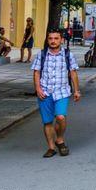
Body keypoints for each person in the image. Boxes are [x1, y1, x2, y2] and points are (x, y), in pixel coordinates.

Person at [32, 27, 81, 157]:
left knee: (60, 117)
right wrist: (38, 88)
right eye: (50, 38)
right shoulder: (41, 55)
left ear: (61, 40)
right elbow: (36, 72)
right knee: (47, 122)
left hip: (62, 91)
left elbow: (73, 73)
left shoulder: (67, 55)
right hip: (45, 92)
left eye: (56, 38)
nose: (53, 41)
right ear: (47, 40)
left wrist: (77, 90)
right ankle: (51, 147)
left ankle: (59, 138)